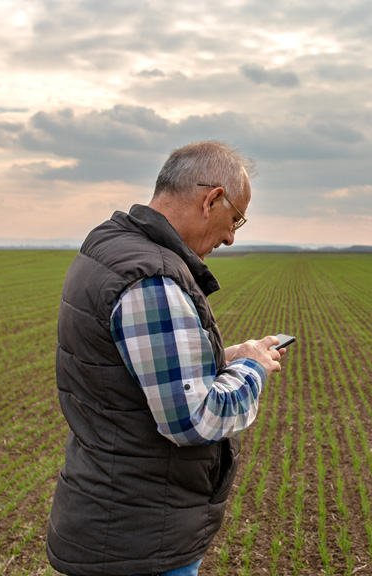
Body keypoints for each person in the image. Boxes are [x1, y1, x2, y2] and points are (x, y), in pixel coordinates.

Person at [47, 141, 286, 576]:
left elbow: (131, 373)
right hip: (138, 541)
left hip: (109, 519)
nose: (231, 237)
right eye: (235, 219)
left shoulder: (109, 247)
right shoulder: (151, 279)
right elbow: (194, 420)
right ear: (212, 199)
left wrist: (226, 356)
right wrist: (251, 368)